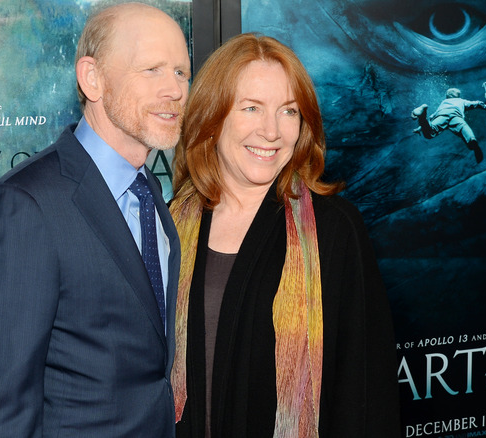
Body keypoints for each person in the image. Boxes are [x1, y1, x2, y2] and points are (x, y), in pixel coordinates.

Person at [0, 3, 189, 437]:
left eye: (181, 72)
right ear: (92, 78)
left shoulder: (151, 194)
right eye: (152, 69)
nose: (174, 90)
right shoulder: (23, 208)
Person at [169, 33, 400, 437]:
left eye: (289, 111)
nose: (272, 131)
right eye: (252, 108)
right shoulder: (169, 225)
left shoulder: (334, 230)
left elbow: (367, 395)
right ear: (212, 116)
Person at [411, 88, 486, 163]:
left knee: (430, 132)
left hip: (441, 115)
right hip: (455, 115)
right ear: (456, 95)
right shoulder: (461, 100)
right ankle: (472, 140)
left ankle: (422, 116)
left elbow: (432, 116)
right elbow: (476, 104)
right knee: (463, 128)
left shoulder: (443, 103)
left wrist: (420, 128)